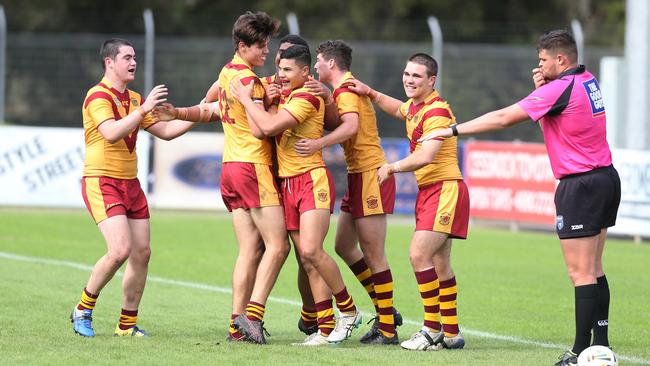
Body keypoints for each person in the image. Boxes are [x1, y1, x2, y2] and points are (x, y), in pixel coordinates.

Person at [419, 29, 620, 365]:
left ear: (560, 59)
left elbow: (501, 119)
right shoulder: (586, 80)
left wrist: (451, 129)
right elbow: (555, 124)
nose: (538, 65)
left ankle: (578, 352)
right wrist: (543, 91)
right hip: (604, 178)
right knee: (594, 269)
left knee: (580, 273)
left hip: (581, 185)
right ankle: (600, 346)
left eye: (543, 60)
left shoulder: (560, 88)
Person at [157, 11, 289, 345]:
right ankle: (253, 317)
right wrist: (271, 105)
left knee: (249, 250)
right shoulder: (248, 81)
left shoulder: (227, 72)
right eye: (260, 47)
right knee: (278, 246)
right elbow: (262, 128)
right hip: (252, 167)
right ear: (243, 45)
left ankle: (236, 324)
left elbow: (210, 110)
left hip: (230, 168)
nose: (265, 53)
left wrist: (178, 112)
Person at [232, 45, 362, 346]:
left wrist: (248, 99)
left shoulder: (305, 96)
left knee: (313, 251)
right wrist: (266, 99)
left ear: (305, 72)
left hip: (311, 180)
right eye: (280, 69)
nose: (282, 74)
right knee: (306, 259)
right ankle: (326, 329)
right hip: (287, 185)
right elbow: (257, 128)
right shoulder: (287, 95)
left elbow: (265, 127)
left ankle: (348, 308)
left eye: (289, 70)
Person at [71, 38, 199, 337]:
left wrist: (203, 111)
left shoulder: (135, 99)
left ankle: (126, 325)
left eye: (135, 57)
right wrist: (143, 111)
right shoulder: (97, 96)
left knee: (141, 252)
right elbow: (112, 132)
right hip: (102, 182)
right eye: (127, 57)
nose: (133, 62)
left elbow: (166, 131)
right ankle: (82, 309)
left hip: (131, 184)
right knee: (120, 250)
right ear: (109, 62)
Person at [350, 53, 469, 351]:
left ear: (432, 80)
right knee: (440, 263)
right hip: (431, 190)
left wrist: (392, 167)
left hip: (445, 190)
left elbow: (427, 155)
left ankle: (431, 329)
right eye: (406, 74)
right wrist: (372, 93)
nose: (408, 79)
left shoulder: (437, 111)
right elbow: (399, 109)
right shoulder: (417, 107)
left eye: (416, 76)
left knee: (418, 255)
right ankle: (451, 334)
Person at [295, 39, 402, 344]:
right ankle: (386, 311)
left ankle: (387, 328)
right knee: (343, 245)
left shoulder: (347, 89)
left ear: (330, 63)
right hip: (358, 175)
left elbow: (351, 126)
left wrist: (318, 144)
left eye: (318, 61)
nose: (315, 66)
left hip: (371, 174)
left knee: (374, 255)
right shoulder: (341, 91)